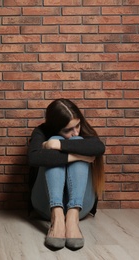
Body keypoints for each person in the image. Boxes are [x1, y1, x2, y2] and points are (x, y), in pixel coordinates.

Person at [28, 98, 105, 251]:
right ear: (55, 126)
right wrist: (77, 156)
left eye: (77, 125)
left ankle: (72, 217)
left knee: (76, 141)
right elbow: (34, 157)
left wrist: (59, 145)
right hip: (45, 205)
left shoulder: (80, 133)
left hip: (82, 205)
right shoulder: (42, 131)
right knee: (58, 141)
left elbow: (99, 147)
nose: (75, 131)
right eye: (68, 130)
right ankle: (56, 216)